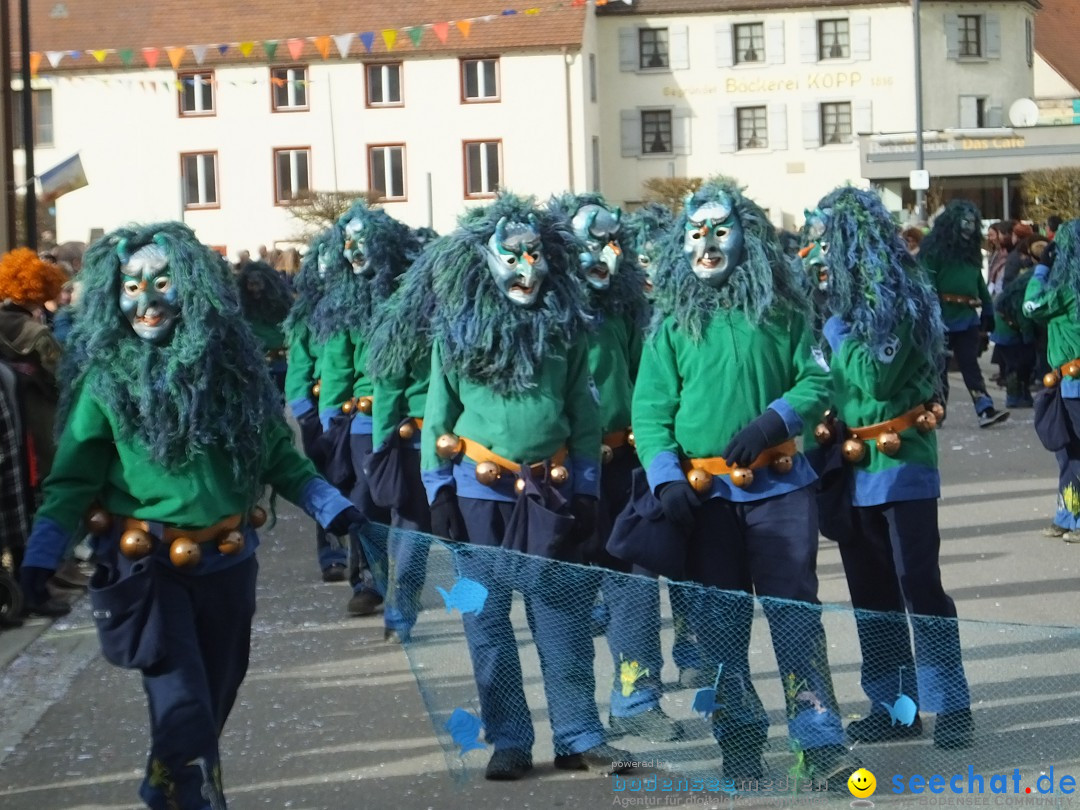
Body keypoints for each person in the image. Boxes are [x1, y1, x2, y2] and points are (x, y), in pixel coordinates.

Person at [17, 222, 363, 809]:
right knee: (184, 703)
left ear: (196, 290)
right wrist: (41, 552)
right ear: (112, 292)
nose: (146, 302)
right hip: (148, 569)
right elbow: (72, 479)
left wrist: (331, 506)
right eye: (132, 286)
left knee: (218, 692)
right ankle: (191, 798)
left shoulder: (233, 375)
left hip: (228, 561)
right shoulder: (106, 381)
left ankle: (169, 778)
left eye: (162, 283)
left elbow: (279, 457)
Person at [630, 181, 854, 783]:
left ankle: (820, 741)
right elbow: (650, 413)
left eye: (719, 231)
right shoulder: (671, 324)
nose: (707, 245)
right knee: (720, 627)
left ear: (746, 236)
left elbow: (818, 381)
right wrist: (665, 479)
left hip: (780, 491)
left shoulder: (782, 310)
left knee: (795, 616)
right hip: (704, 500)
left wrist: (773, 421)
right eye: (695, 235)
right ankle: (739, 737)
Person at [421, 193, 633, 780]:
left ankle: (579, 735)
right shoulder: (457, 336)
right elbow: (437, 418)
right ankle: (510, 740)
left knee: (562, 618)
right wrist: (439, 493)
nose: (525, 269)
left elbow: (584, 418)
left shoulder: (566, 332)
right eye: (510, 257)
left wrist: (588, 490)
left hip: (554, 496)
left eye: (534, 255)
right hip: (478, 498)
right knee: (486, 623)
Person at [803, 187, 973, 751]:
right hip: (851, 470)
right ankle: (894, 708)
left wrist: (833, 333)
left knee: (919, 586)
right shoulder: (839, 307)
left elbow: (875, 380)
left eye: (828, 242)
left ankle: (951, 704)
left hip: (902, 470)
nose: (820, 254)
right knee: (871, 593)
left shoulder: (896, 300)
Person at [548, 192, 679, 743]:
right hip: (563, 474)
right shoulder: (545, 314)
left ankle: (636, 699)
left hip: (623, 464)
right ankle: (576, 721)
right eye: (591, 243)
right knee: (566, 593)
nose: (605, 253)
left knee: (636, 580)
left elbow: (640, 378)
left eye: (611, 242)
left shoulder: (626, 308)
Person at [317, 200, 414, 616]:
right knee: (365, 503)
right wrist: (329, 426)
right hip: (364, 421)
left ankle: (406, 594)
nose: (355, 250)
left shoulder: (412, 294)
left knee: (409, 512)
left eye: (364, 241)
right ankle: (369, 581)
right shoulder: (344, 305)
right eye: (349, 243)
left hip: (412, 421)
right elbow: (336, 369)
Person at [363, 226, 437, 643]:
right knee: (410, 535)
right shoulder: (400, 321)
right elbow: (388, 390)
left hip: (467, 450)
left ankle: (477, 614)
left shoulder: (469, 316)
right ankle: (399, 614)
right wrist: (381, 452)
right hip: (413, 446)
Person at [283, 229, 349, 582]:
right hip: (321, 415)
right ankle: (333, 555)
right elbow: (299, 367)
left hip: (362, 417)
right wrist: (307, 414)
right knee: (327, 484)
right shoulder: (308, 315)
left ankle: (371, 569)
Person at [919, 200, 1008, 428]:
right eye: (964, 222)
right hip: (942, 320)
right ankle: (937, 411)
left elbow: (978, 280)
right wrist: (933, 315)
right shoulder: (933, 249)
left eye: (972, 222)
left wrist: (987, 310)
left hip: (967, 319)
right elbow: (927, 283)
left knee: (970, 365)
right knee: (940, 369)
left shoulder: (970, 253)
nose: (969, 227)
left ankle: (985, 408)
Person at [1023, 221, 1080, 542]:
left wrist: (1043, 268)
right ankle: (1068, 515)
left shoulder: (1068, 290)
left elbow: (1030, 305)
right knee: (1069, 454)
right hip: (1065, 382)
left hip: (1074, 382)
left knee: (1074, 453)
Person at [238, 260, 293, 393]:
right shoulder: (241, 309)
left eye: (258, 284)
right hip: (252, 365)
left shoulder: (281, 306)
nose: (255, 290)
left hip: (278, 363)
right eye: (251, 285)